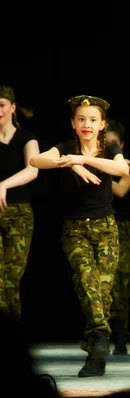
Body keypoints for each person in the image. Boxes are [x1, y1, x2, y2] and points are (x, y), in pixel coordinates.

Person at [29, 95, 130, 377]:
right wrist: (70, 162)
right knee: (87, 282)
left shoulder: (109, 147)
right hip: (75, 229)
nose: (87, 124)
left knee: (103, 290)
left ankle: (96, 354)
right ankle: (99, 336)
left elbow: (121, 169)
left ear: (102, 124)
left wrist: (84, 159)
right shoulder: (65, 148)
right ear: (73, 123)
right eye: (82, 119)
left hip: (106, 228)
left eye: (93, 120)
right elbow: (36, 159)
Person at [0, 85, 39, 322]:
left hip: (19, 214)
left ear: (12, 107)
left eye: (1, 105)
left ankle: (11, 333)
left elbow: (33, 169)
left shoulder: (26, 137)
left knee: (11, 277)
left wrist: (3, 185)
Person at [106, 119, 130, 355]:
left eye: (113, 144)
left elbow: (120, 190)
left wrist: (99, 167)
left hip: (123, 229)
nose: (109, 148)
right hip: (98, 225)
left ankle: (120, 334)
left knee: (120, 283)